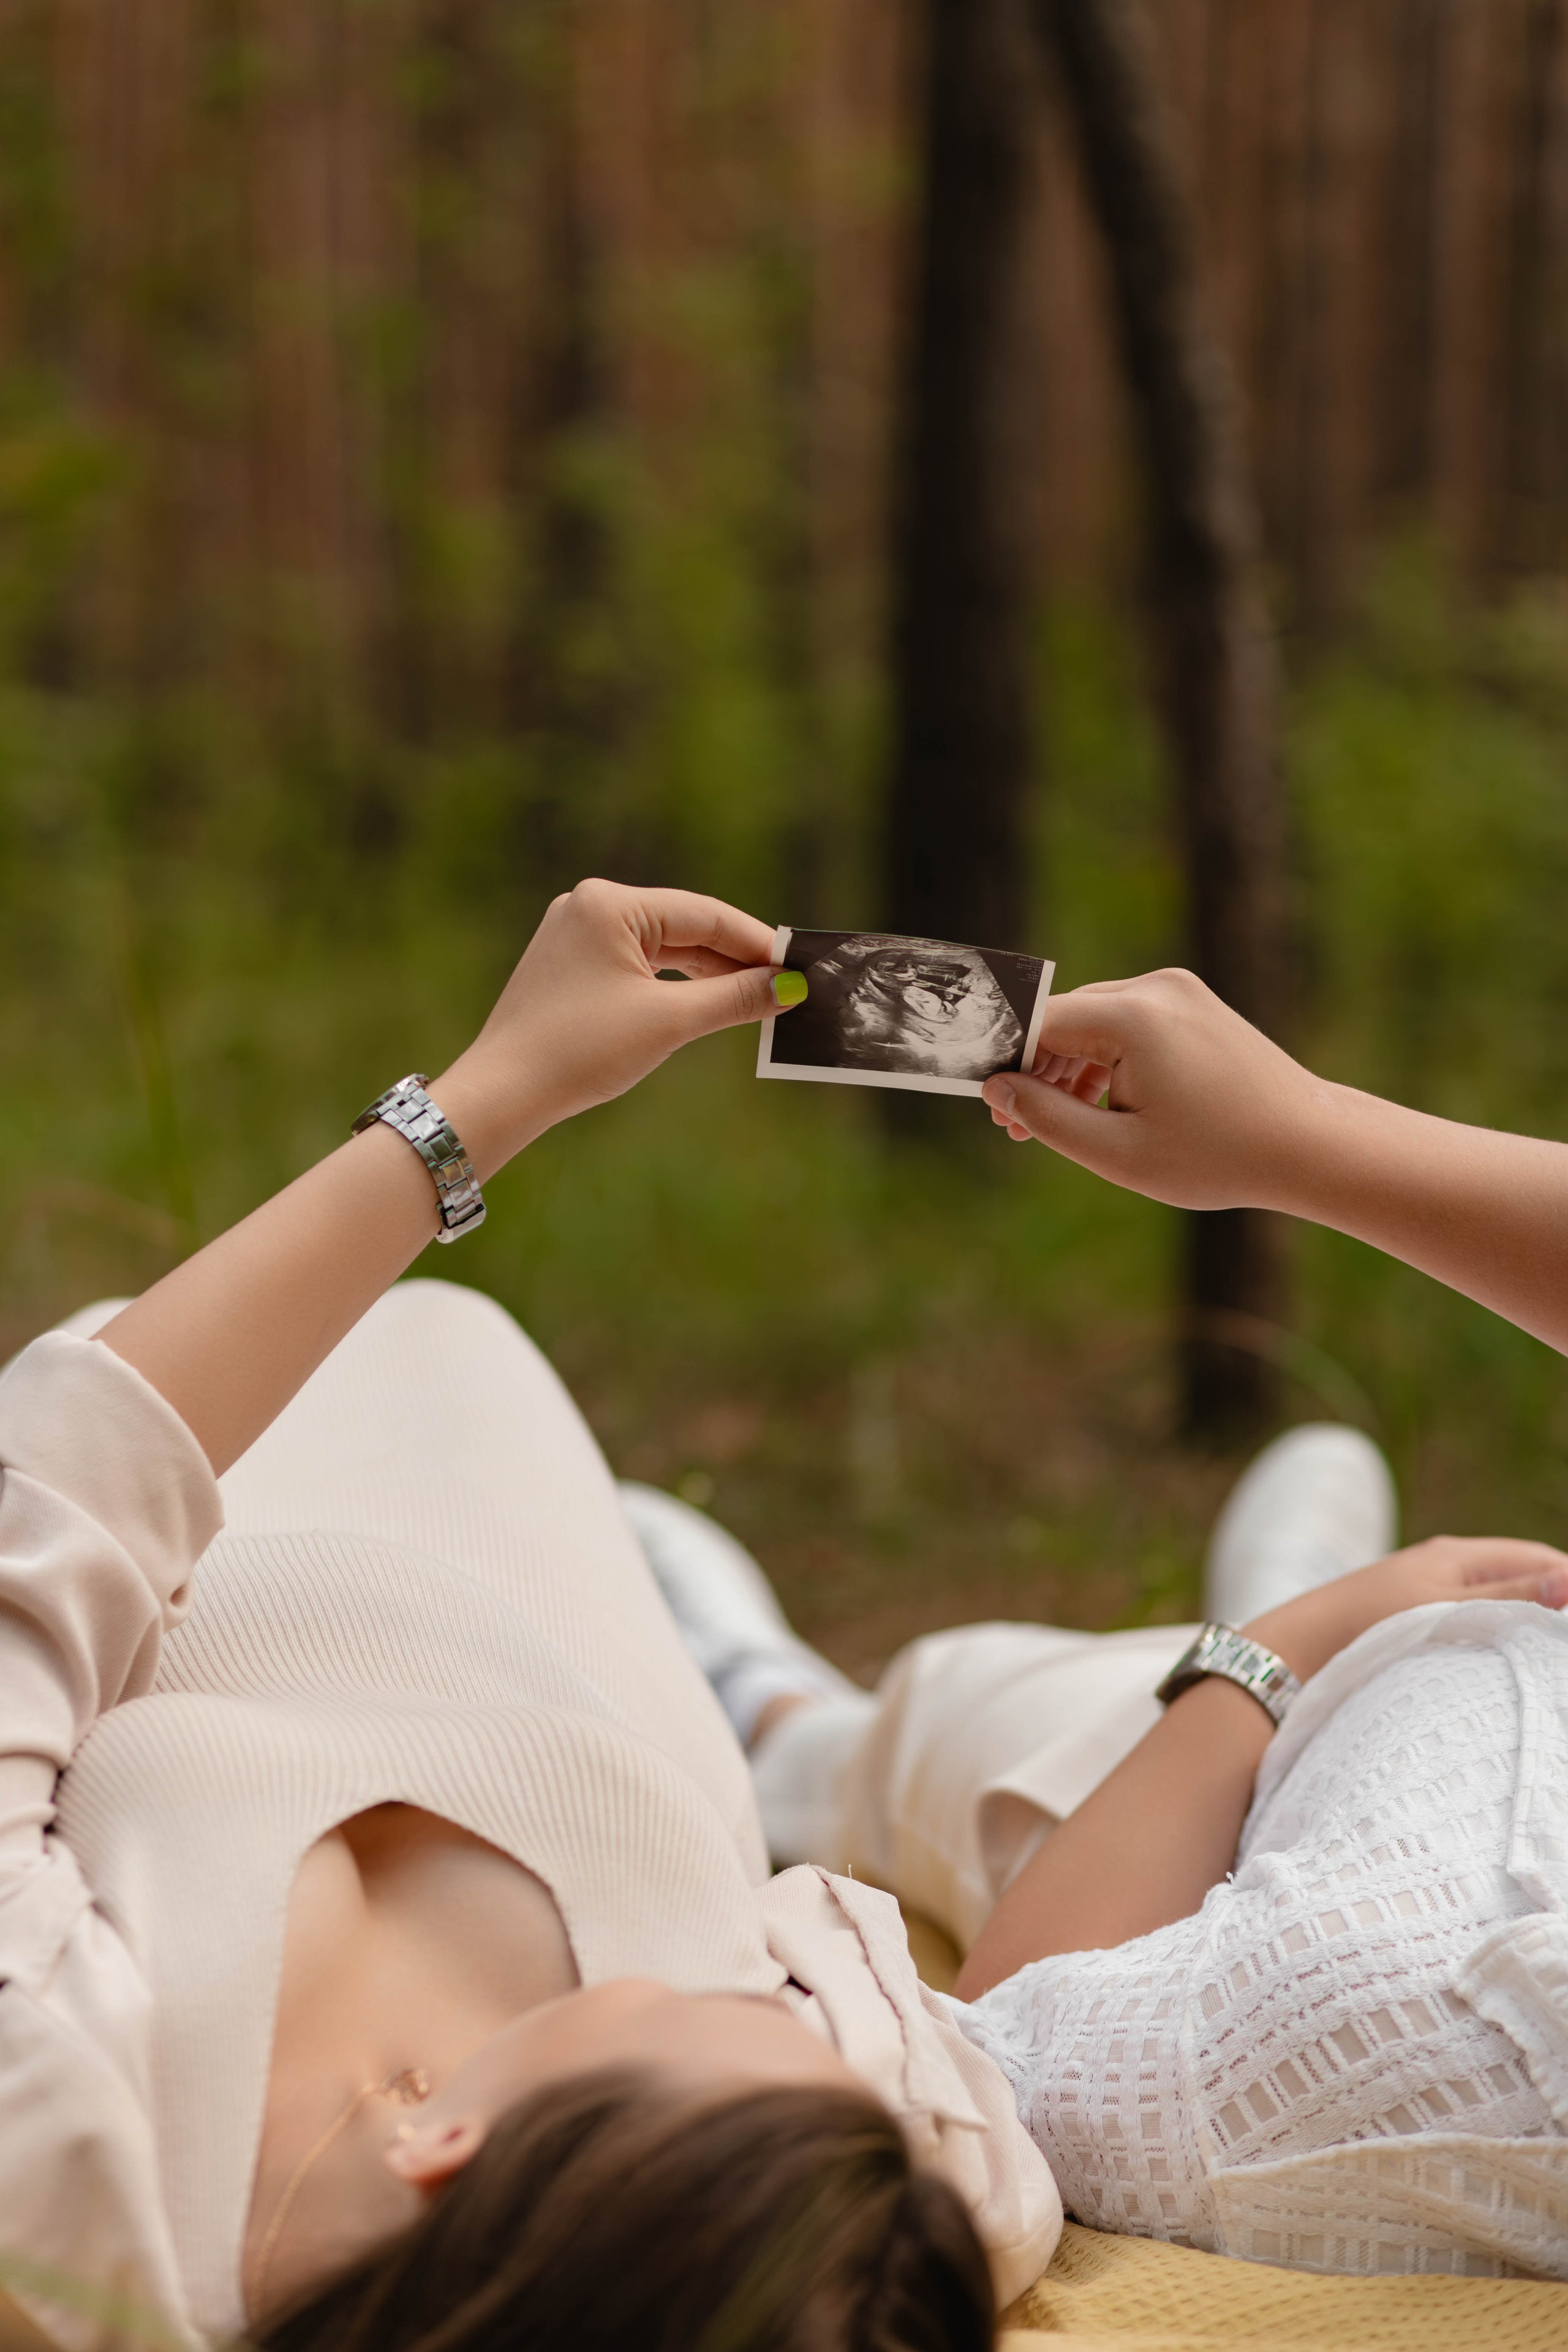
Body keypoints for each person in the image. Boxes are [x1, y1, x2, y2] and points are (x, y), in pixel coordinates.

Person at [0, 899, 1562, 2351]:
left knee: (1021, 1740)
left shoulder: (60, 2133)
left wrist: (490, 1095)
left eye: (714, 2011)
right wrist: (1283, 1640)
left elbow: (55, 1505)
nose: (784, 1975)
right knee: (1084, 1736)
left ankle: (794, 1712)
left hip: (238, 1451)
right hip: (516, 1541)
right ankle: (855, 1707)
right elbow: (1008, 2044)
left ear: (449, 2138)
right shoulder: (806, 2240)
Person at [636, 965, 1568, 2280]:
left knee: (966, 1719)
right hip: (1424, 1681)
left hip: (1222, 1794)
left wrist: (1288, 1643)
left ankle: (777, 1715)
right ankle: (1274, 1599)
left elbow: (1011, 2037)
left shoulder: (1398, 2026)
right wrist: (1295, 1133)